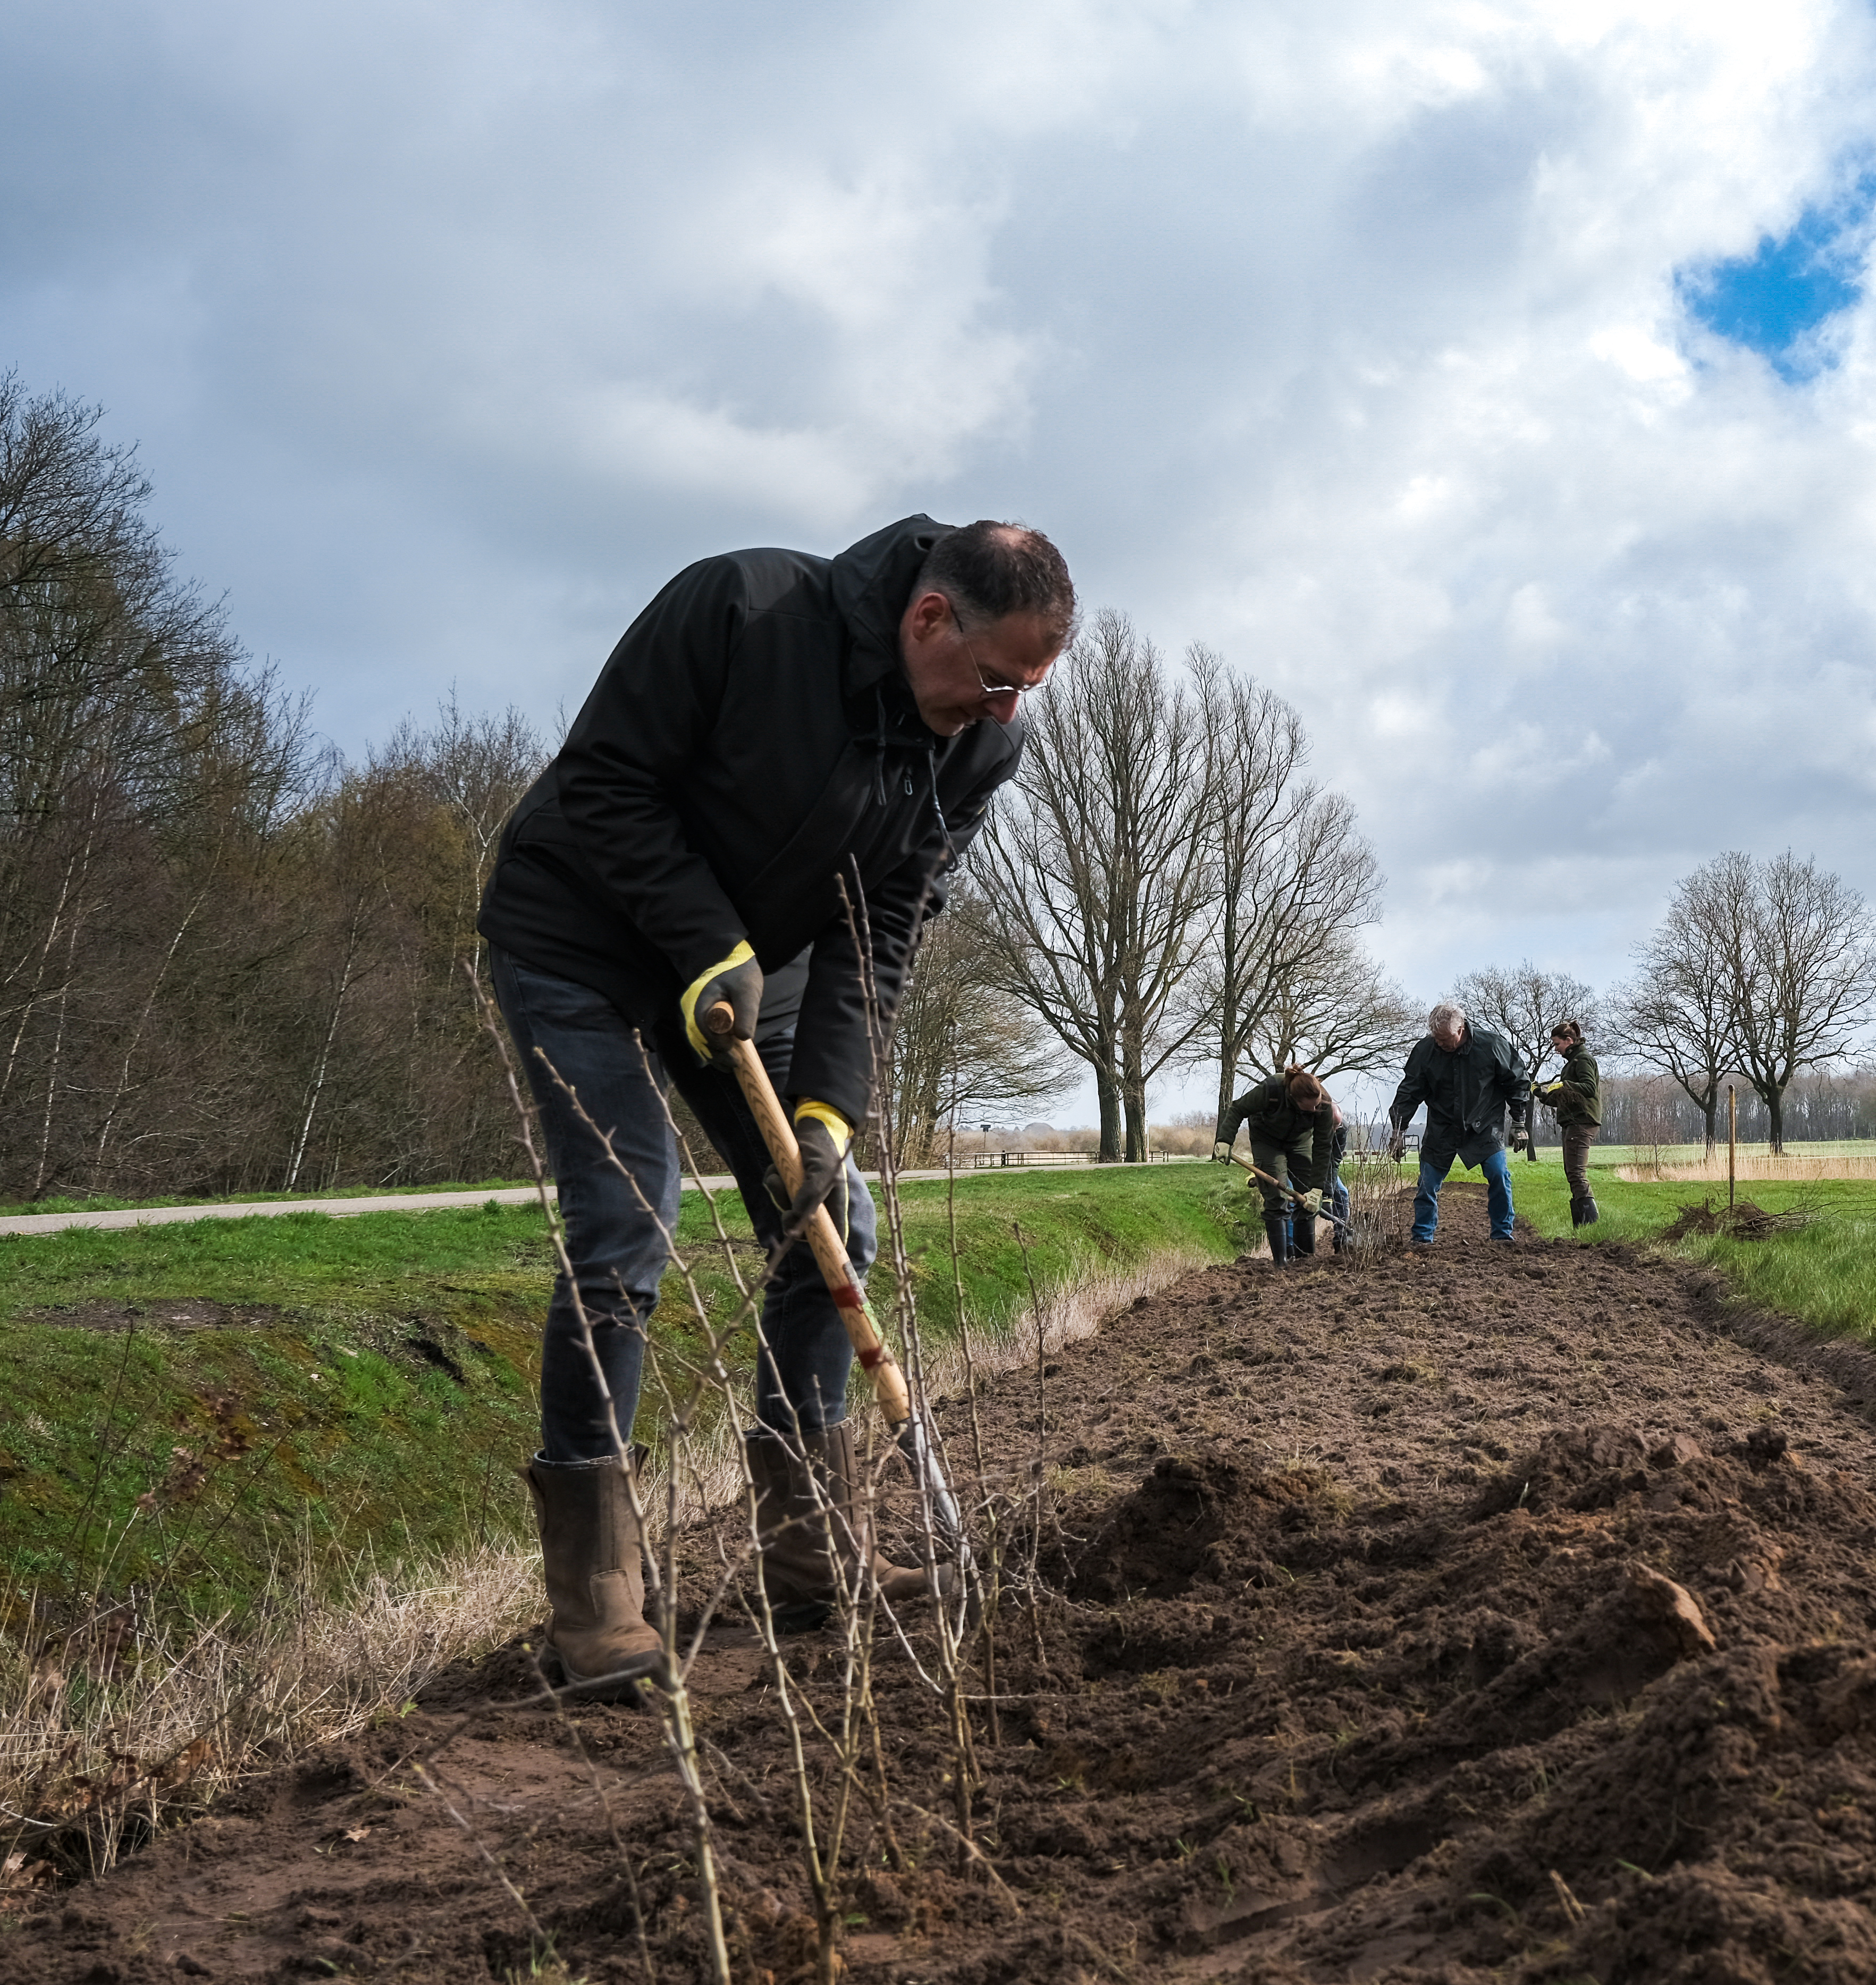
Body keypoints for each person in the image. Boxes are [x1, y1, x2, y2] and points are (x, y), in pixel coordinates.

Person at [477, 515, 1073, 1694]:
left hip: (759, 963)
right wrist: (705, 941)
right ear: (929, 618)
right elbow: (605, 781)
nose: (1005, 710)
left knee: (831, 1215)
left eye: (1027, 691)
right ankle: (596, 1594)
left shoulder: (977, 751)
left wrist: (830, 1117)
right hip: (580, 937)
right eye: (998, 680)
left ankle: (811, 1549)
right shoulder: (741, 610)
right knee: (627, 1216)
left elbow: (880, 930)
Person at [1389, 1004, 1529, 1243]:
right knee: (1427, 1184)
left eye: (1445, 1038)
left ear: (1461, 1029)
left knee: (1499, 1175)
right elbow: (1409, 1092)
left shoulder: (1492, 1046)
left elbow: (1517, 1081)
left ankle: (1503, 1236)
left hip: (1484, 1126)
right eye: (1436, 1038)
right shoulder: (1425, 1051)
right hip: (1442, 1127)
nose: (1440, 1043)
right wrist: (1398, 1130)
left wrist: (1519, 1122)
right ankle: (1422, 1238)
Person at [1215, 1063, 1340, 1263]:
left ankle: (1305, 1261)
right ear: (1295, 1100)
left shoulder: (1323, 1103)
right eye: (1311, 1107)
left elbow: (1323, 1148)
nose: (1316, 1109)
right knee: (1276, 1200)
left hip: (1300, 1142)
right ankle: (1281, 1264)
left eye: (1317, 1105)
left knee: (1307, 1200)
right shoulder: (1271, 1090)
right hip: (1267, 1141)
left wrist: (1318, 1189)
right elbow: (1238, 1109)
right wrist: (1225, 1140)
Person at [1534, 1018, 1602, 1226]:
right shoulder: (1572, 1064)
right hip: (1573, 1122)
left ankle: (1591, 1226)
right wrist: (1541, 1094)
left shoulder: (1583, 1060)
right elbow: (1564, 1098)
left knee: (1577, 1174)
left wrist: (1564, 1085)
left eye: (1557, 1044)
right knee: (1572, 1173)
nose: (1556, 1049)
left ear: (1569, 1041)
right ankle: (1582, 1225)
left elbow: (1589, 1088)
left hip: (1582, 1122)